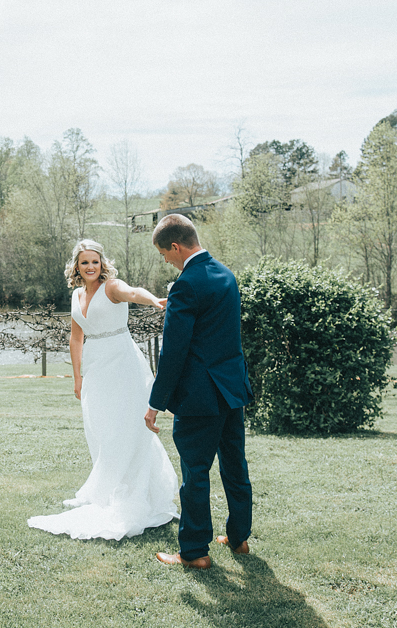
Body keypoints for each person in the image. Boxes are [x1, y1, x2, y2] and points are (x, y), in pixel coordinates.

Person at [28, 239, 179, 540]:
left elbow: (133, 293)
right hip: (96, 368)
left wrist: (156, 301)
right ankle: (109, 489)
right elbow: (75, 339)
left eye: (95, 261)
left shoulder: (112, 287)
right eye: (85, 262)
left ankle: (133, 497)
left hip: (123, 364)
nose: (91, 267)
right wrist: (77, 377)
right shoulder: (76, 295)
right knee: (100, 429)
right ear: (77, 267)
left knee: (126, 429)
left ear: (102, 263)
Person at [146, 214, 254, 569]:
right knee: (235, 467)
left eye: (165, 254)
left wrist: (155, 404)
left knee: (196, 472)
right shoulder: (226, 275)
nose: (166, 261)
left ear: (176, 247)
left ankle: (194, 552)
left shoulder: (186, 285)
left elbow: (173, 352)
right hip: (231, 392)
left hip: (198, 397)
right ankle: (239, 539)